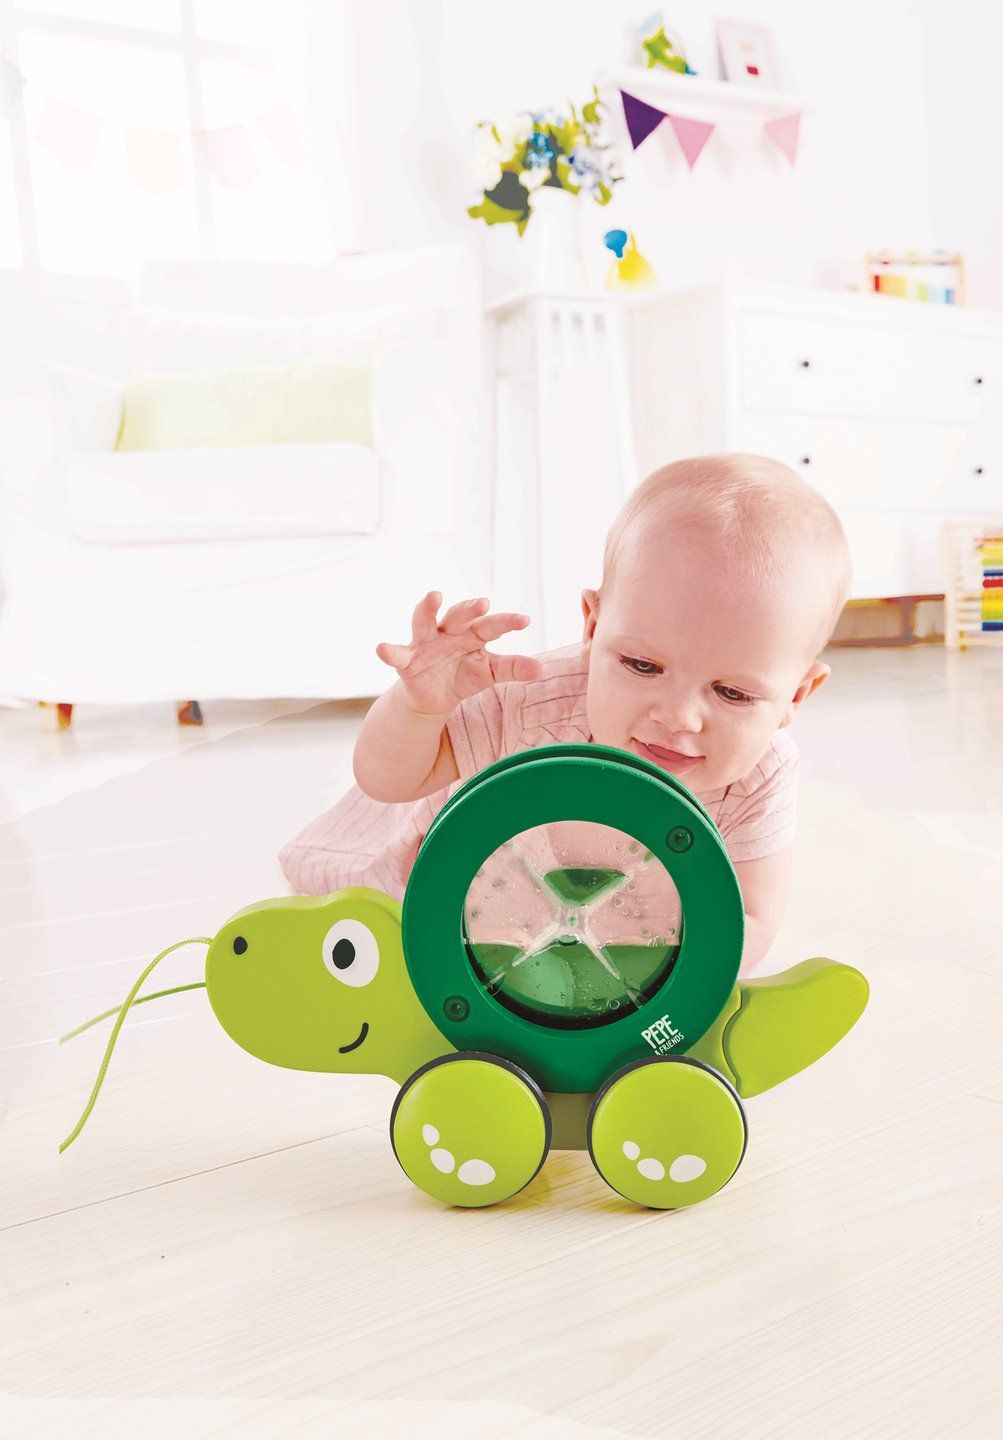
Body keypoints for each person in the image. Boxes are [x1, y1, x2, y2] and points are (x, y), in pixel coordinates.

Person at [279, 453, 851, 976]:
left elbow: (749, 918)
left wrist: (662, 984)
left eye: (732, 693)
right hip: (444, 901)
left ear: (796, 696)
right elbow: (386, 780)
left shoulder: (760, 776)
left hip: (613, 950)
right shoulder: (528, 703)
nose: (679, 717)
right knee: (372, 949)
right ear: (593, 627)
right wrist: (418, 706)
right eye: (643, 665)